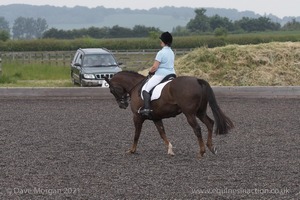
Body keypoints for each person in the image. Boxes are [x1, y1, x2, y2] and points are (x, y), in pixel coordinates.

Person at [139, 31, 176, 117]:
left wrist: (150, 72)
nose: (160, 42)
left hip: (161, 75)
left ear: (163, 41)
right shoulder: (171, 52)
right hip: (172, 74)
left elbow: (155, 67)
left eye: (161, 40)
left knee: (146, 89)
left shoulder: (161, 52)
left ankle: (147, 109)